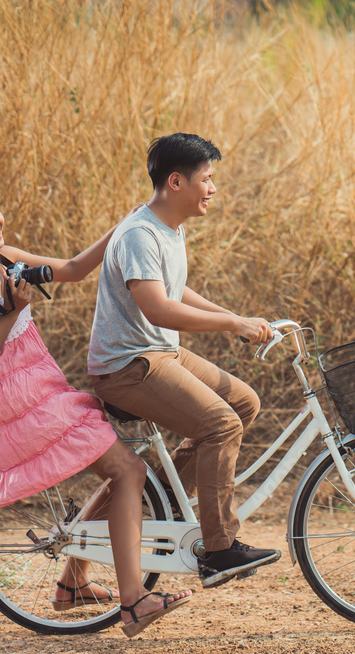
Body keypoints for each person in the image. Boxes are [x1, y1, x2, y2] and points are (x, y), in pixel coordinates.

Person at [0, 177, 191, 638]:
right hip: (17, 403)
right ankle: (134, 602)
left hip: (42, 390)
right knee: (128, 471)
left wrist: (130, 223)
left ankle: (74, 584)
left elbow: (74, 267)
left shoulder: (3, 259)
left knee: (124, 469)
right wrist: (8, 315)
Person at [88, 133, 281, 589]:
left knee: (244, 404)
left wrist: (233, 316)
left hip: (158, 354)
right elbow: (158, 308)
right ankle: (219, 550)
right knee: (221, 425)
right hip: (128, 367)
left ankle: (165, 504)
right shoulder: (139, 233)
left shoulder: (169, 228)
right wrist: (231, 326)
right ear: (176, 181)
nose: (213, 188)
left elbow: (173, 292)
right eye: (207, 179)